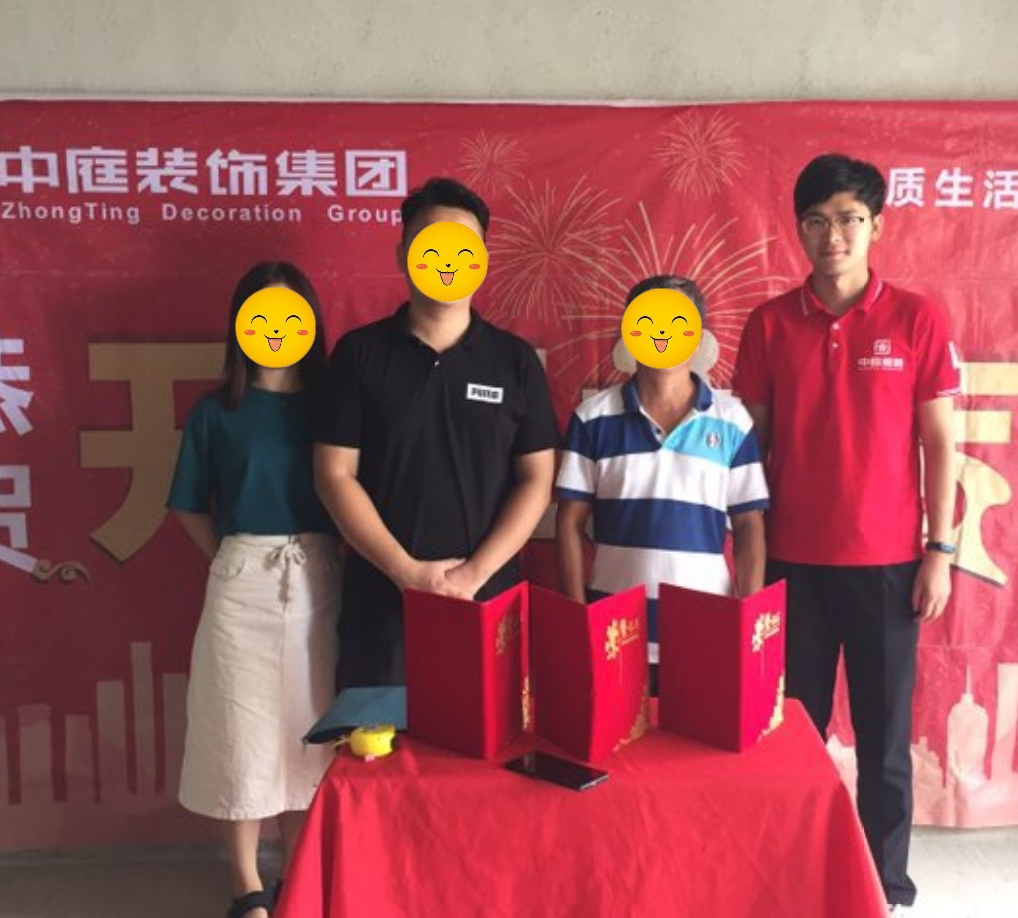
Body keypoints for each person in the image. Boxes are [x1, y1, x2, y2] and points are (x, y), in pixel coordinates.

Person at [733, 154, 961, 911]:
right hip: (791, 564)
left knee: (884, 740)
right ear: (798, 229)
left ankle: (884, 887)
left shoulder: (916, 319)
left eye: (849, 220)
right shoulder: (769, 324)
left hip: (888, 566)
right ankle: (794, 876)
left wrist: (940, 551)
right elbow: (749, 450)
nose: (833, 235)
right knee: (789, 736)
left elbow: (941, 444)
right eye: (817, 221)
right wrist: (747, 560)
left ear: (876, 227)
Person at [315, 176, 559, 691]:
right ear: (404, 254)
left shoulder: (515, 362)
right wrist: (406, 573)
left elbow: (537, 479)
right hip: (382, 609)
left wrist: (472, 576)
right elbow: (334, 474)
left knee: (488, 740)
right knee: (377, 740)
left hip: (489, 605)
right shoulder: (359, 355)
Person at [167, 262, 340, 918]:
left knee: (308, 731)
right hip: (241, 580)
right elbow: (188, 504)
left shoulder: (332, 409)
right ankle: (246, 884)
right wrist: (230, 559)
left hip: (322, 577)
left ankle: (297, 874)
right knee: (239, 731)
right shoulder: (217, 412)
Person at [554, 274, 769, 693]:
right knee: (614, 737)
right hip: (614, 629)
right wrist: (578, 616)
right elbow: (569, 522)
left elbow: (749, 525)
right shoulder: (592, 419)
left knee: (695, 736)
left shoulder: (732, 422)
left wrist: (747, 616)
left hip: (704, 628)